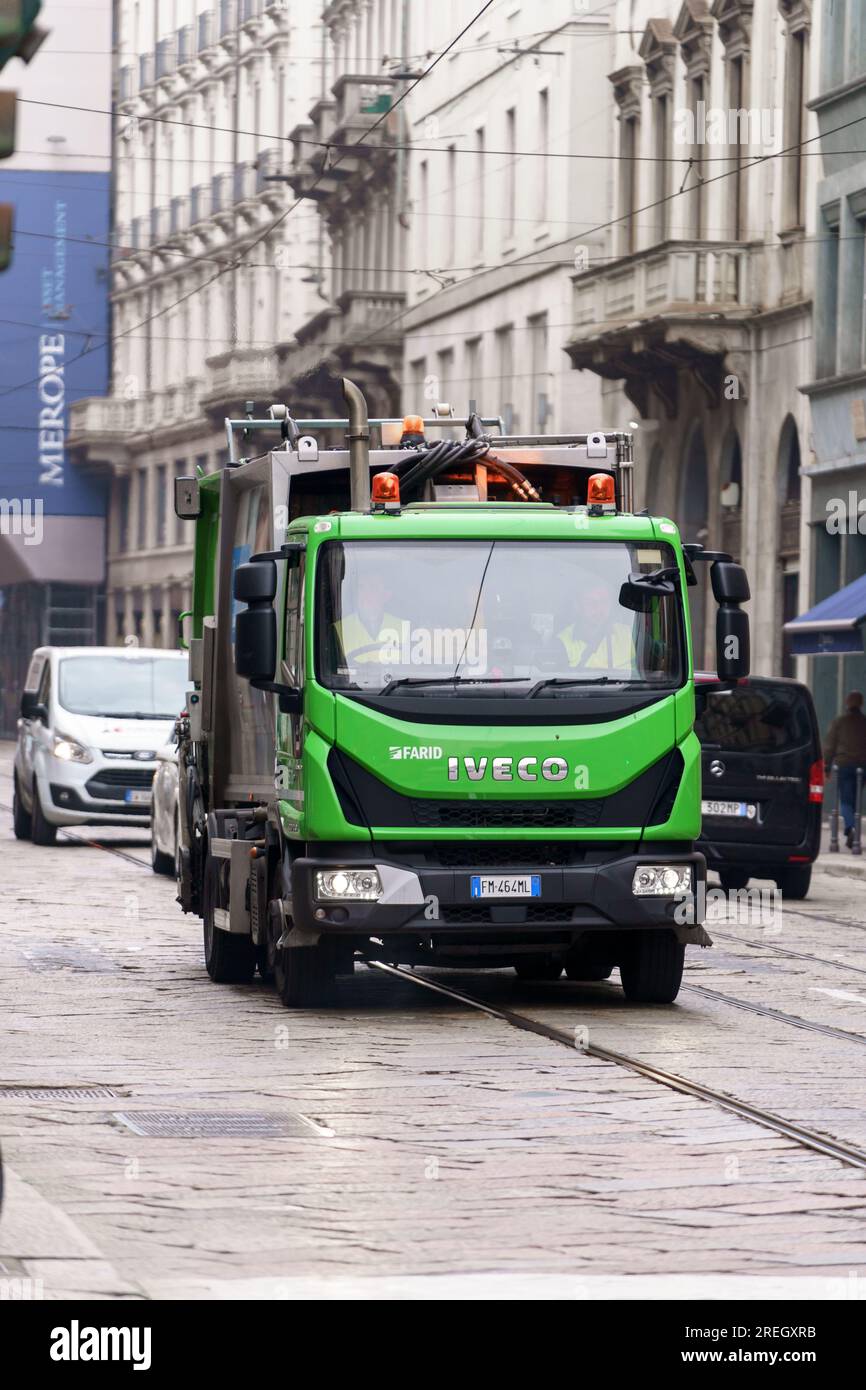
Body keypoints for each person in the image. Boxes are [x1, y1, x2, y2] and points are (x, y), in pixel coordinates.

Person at [557, 577, 636, 673]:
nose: (599, 608)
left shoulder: (629, 634)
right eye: (590, 602)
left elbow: (656, 659)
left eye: (604, 601)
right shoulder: (562, 641)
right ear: (577, 605)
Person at [824, 691, 866, 848]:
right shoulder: (864, 722)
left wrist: (826, 766)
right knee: (855, 800)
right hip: (862, 766)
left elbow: (829, 746)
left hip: (845, 765)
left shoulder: (839, 722)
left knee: (846, 800)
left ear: (847, 703)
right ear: (861, 704)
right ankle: (853, 833)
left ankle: (850, 828)